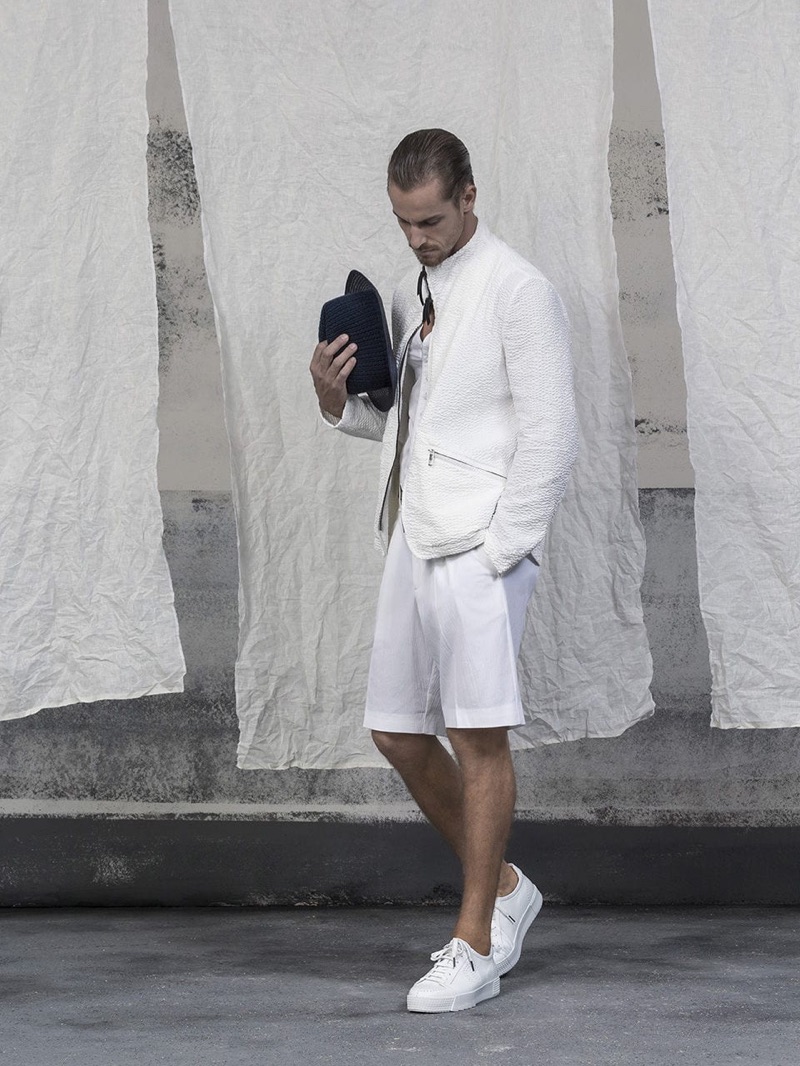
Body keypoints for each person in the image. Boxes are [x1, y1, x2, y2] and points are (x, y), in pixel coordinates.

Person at [310, 129, 579, 1013]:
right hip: (412, 529)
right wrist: (336, 402)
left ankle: (475, 943)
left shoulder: (518, 290)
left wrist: (502, 552)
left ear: (469, 197)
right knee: (396, 730)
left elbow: (552, 434)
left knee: (478, 735)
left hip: (478, 544)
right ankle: (504, 887)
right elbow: (403, 421)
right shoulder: (411, 291)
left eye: (429, 220)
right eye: (403, 222)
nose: (416, 237)